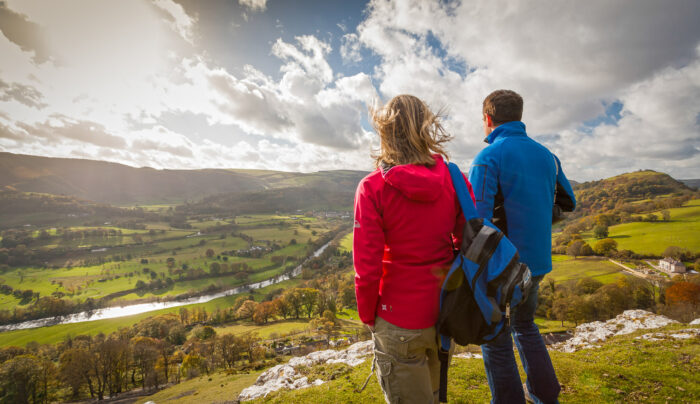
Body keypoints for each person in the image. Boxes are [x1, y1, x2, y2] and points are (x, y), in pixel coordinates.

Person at [353, 94, 475, 403]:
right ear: (426, 128)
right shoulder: (455, 178)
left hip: (396, 317)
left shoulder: (372, 188)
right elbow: (469, 243)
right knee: (433, 395)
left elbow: (367, 268)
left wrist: (369, 315)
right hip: (444, 311)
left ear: (386, 131)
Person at [468, 89, 576, 404]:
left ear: (487, 118)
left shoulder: (488, 157)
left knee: (494, 334)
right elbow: (568, 201)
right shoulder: (547, 156)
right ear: (519, 116)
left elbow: (477, 221)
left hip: (501, 264)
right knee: (525, 326)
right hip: (538, 263)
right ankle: (545, 396)